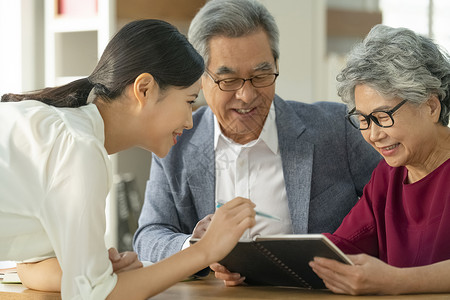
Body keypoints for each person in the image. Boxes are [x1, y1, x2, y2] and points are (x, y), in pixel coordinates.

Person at [0, 19, 257, 299]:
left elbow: (31, 266)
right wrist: (205, 251)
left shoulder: (69, 133)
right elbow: (97, 296)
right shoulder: (78, 148)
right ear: (144, 89)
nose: (189, 121)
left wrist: (100, 273)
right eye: (188, 101)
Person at [133, 0, 381, 284]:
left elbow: (397, 202)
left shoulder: (337, 129)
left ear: (276, 64)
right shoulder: (177, 141)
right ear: (200, 78)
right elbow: (149, 234)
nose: (247, 95)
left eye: (260, 76)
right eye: (229, 80)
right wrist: (197, 249)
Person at [308, 24, 450, 295]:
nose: (373, 135)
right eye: (363, 120)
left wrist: (397, 282)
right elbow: (339, 250)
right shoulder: (387, 176)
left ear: (431, 107)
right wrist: (249, 262)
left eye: (383, 117)